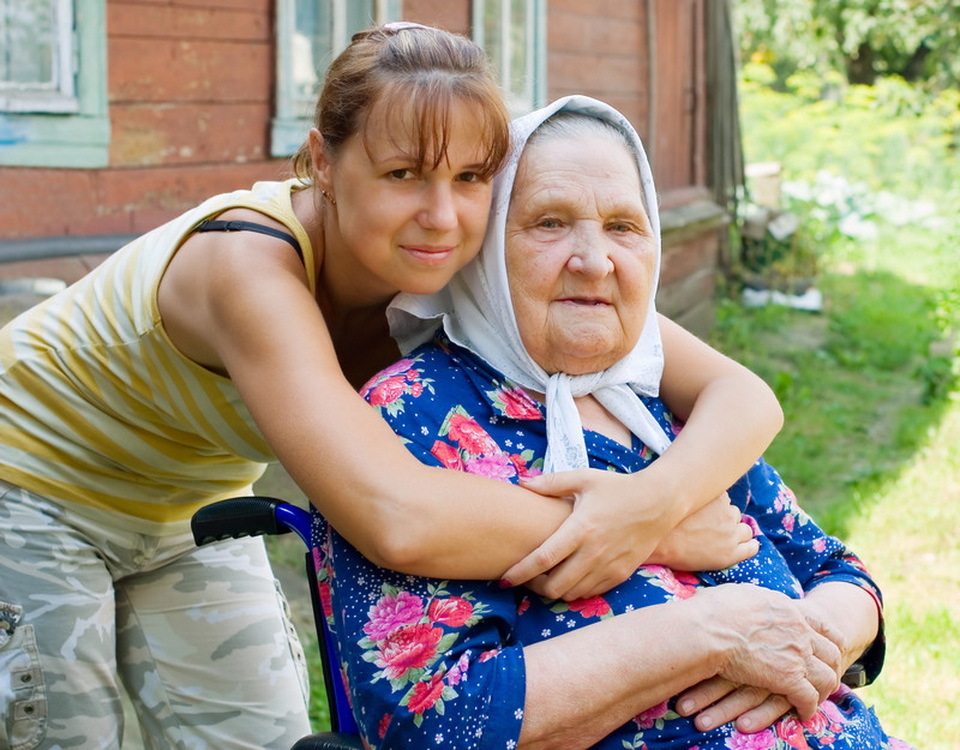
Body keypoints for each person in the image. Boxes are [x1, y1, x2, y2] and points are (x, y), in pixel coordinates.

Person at [1, 24, 780, 749]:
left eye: (471, 176)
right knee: (67, 732)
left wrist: (656, 496)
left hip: (183, 508)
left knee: (259, 734)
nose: (441, 215)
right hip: (29, 487)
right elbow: (394, 515)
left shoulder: (457, 257)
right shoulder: (243, 266)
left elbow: (745, 397)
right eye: (402, 173)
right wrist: (649, 533)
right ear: (322, 162)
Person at [313, 96, 913, 749]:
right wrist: (708, 636)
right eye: (550, 223)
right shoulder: (422, 415)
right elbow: (432, 721)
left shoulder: (666, 407)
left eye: (624, 226)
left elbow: (838, 571)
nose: (595, 260)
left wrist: (802, 643)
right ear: (484, 249)